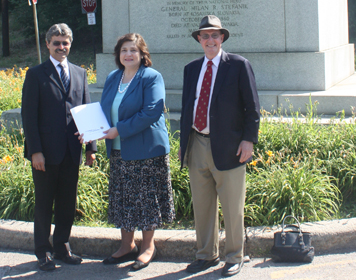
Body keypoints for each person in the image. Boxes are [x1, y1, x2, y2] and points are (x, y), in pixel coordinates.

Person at [179, 15, 260, 277]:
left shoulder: (238, 65)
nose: (210, 40)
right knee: (202, 207)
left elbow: (253, 108)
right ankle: (206, 255)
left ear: (222, 38)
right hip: (197, 144)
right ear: (199, 40)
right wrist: (184, 144)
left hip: (229, 146)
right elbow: (187, 109)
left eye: (215, 35)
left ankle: (235, 256)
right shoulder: (191, 69)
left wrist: (249, 139)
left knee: (232, 207)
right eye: (205, 36)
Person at [86, 33, 175, 270]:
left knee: (146, 200)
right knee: (123, 199)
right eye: (124, 50)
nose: (128, 54)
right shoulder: (114, 77)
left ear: (142, 54)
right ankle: (127, 246)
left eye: (133, 50)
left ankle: (148, 248)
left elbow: (151, 112)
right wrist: (91, 130)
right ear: (118, 54)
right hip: (118, 151)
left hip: (146, 150)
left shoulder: (151, 77)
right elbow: (105, 111)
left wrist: (118, 130)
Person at [21, 23, 95, 272]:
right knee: (44, 203)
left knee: (66, 202)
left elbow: (86, 111)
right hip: (45, 153)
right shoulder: (35, 74)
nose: (61, 47)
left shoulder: (80, 73)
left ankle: (62, 246)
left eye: (65, 43)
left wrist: (91, 148)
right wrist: (35, 151)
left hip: (71, 151)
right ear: (48, 44)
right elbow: (29, 116)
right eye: (56, 43)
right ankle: (43, 251)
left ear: (70, 44)